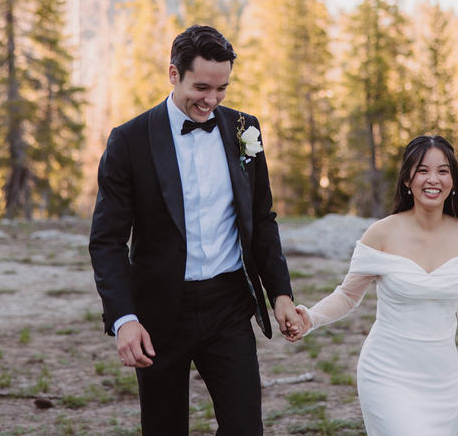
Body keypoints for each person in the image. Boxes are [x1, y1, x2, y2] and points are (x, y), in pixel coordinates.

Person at [89, 24, 300, 436]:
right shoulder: (129, 141)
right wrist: (124, 317)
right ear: (174, 74)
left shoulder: (245, 129)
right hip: (159, 312)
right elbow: (107, 240)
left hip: (228, 304)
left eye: (222, 89)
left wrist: (280, 293)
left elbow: (261, 219)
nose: (212, 100)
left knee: (245, 429)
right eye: (202, 87)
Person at [290, 135, 458, 436]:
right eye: (422, 170)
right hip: (386, 373)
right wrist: (311, 317)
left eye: (443, 171)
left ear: (453, 180)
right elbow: (347, 295)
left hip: (442, 379)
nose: (432, 179)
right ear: (407, 179)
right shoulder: (381, 233)